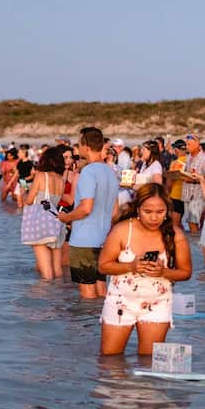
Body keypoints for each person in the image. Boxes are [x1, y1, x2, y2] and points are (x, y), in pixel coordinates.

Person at [97, 183, 192, 356]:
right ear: (138, 209)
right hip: (120, 302)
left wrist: (164, 272)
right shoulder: (123, 230)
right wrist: (130, 266)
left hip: (158, 304)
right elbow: (103, 266)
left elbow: (186, 272)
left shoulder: (175, 234)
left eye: (160, 212)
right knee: (110, 360)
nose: (154, 218)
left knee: (149, 362)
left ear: (167, 210)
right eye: (148, 212)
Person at [57, 127, 119, 299]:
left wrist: (66, 217)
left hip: (84, 240)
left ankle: (88, 325)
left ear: (85, 146)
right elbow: (115, 211)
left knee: (87, 295)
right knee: (101, 289)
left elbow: (86, 208)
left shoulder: (88, 172)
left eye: (79, 144)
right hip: (104, 238)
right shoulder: (111, 172)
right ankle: (103, 323)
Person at [22, 146, 67, 280]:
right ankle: (58, 296)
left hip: (41, 224)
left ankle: (45, 296)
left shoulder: (41, 176)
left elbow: (29, 200)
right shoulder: (61, 180)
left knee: (46, 273)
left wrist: (25, 192)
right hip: (57, 221)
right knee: (57, 270)